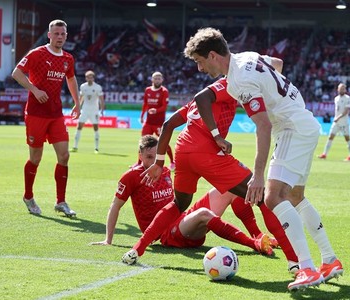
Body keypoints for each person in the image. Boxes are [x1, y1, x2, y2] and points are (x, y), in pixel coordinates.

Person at [181, 27, 343, 291]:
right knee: (295, 197)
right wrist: (275, 94)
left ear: (212, 55)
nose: (200, 69)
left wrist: (257, 175)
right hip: (303, 121)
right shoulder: (247, 57)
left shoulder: (238, 80)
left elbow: (263, 125)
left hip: (290, 128)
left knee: (272, 196)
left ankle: (307, 269)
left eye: (199, 62)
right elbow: (277, 64)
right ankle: (329, 260)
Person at [123, 78, 300, 273]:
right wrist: (216, 135)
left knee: (179, 204)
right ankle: (295, 261)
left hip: (183, 151)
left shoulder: (196, 105)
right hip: (205, 152)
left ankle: (137, 249)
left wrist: (159, 163)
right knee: (261, 196)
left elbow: (168, 124)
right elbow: (203, 97)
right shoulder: (231, 84)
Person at [91, 135, 271, 255]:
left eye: (156, 156)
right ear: (139, 154)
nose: (153, 161)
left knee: (231, 187)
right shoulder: (131, 176)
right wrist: (108, 239)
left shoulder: (164, 170)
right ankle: (252, 244)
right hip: (165, 234)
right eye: (148, 157)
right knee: (204, 214)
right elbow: (115, 205)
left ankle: (258, 235)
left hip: (182, 218)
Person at [11, 19, 80, 217]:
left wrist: (77, 102)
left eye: (63, 34)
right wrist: (34, 89)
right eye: (56, 33)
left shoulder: (68, 58)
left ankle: (61, 201)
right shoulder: (37, 53)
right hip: (35, 113)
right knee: (36, 158)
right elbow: (17, 73)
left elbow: (71, 78)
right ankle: (28, 196)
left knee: (64, 156)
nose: (59, 37)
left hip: (56, 113)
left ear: (66, 36)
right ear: (49, 35)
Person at [140, 72, 174, 170]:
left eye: (159, 78)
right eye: (155, 78)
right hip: (148, 121)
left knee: (163, 143)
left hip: (159, 122)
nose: (157, 80)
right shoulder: (147, 90)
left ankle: (172, 162)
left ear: (162, 80)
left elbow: (164, 107)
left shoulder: (164, 91)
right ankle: (139, 163)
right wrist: (142, 115)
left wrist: (156, 110)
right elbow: (145, 104)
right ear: (152, 79)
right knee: (143, 143)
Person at [318, 83, 350, 161]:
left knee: (347, 138)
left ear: (345, 90)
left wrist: (338, 117)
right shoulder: (336, 98)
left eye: (343, 88)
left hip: (344, 122)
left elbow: (346, 111)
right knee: (330, 137)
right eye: (340, 88)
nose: (341, 90)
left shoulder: (348, 98)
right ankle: (324, 154)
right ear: (338, 89)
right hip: (336, 122)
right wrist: (335, 117)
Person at [71, 70, 104, 153]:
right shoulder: (83, 86)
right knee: (79, 126)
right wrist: (77, 107)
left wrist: (102, 110)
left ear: (93, 78)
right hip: (85, 110)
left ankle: (96, 148)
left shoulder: (97, 87)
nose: (89, 79)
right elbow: (81, 98)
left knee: (96, 128)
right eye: (88, 77)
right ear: (86, 78)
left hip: (94, 111)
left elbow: (101, 100)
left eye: (91, 77)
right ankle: (75, 147)